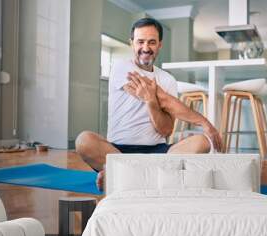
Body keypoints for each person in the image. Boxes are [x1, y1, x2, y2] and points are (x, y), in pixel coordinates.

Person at [76, 18, 222, 189]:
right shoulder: (120, 67)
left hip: (157, 152)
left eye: (152, 42)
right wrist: (204, 122)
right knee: (83, 141)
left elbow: (166, 130)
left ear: (160, 45)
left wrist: (151, 101)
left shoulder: (168, 80)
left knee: (201, 142)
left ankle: (123, 175)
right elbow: (166, 100)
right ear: (132, 43)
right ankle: (147, 176)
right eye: (140, 42)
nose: (146, 48)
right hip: (117, 151)